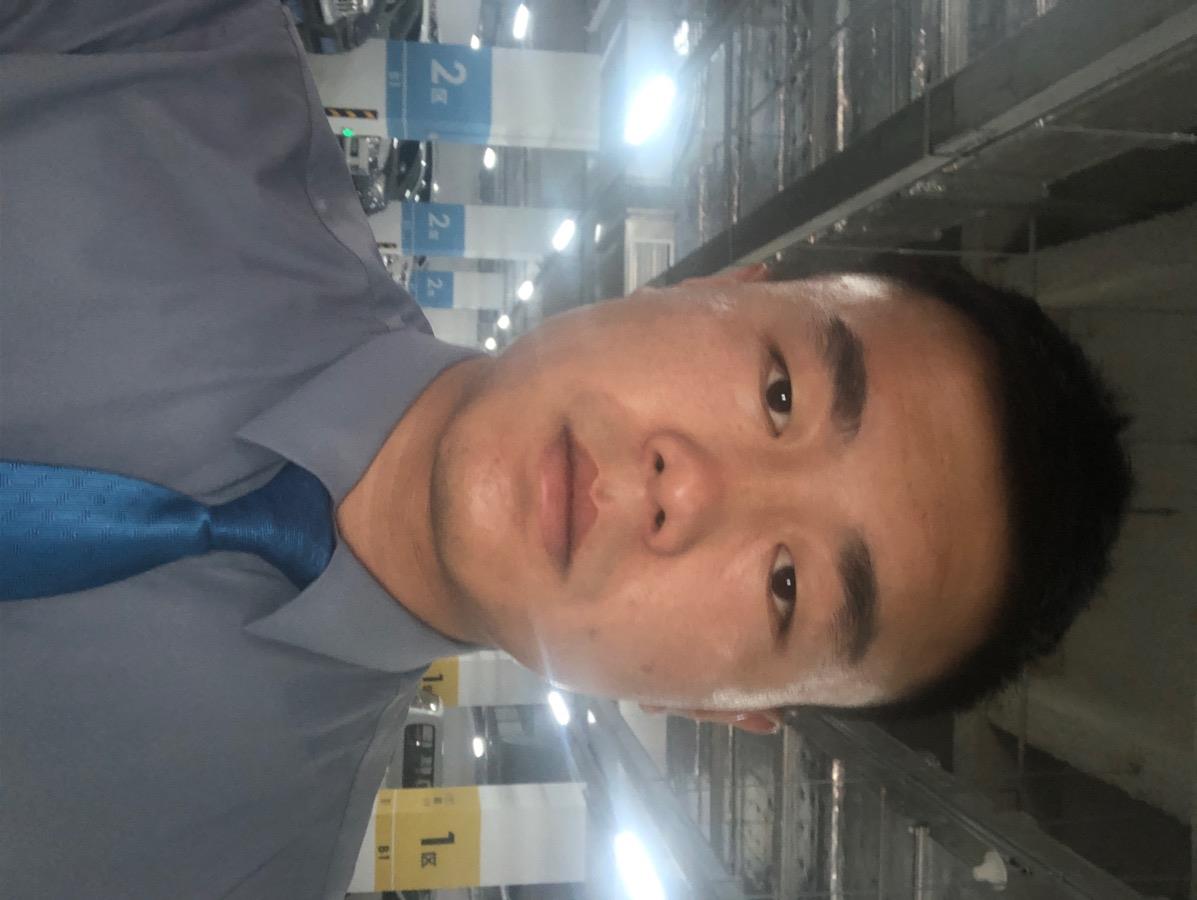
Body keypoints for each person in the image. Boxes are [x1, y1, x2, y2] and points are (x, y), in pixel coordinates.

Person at [0, 1, 1131, 898]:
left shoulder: (233, 873)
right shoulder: (166, 51)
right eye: (780, 391)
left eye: (788, 585)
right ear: (710, 284)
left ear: (720, 709)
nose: (690, 487)